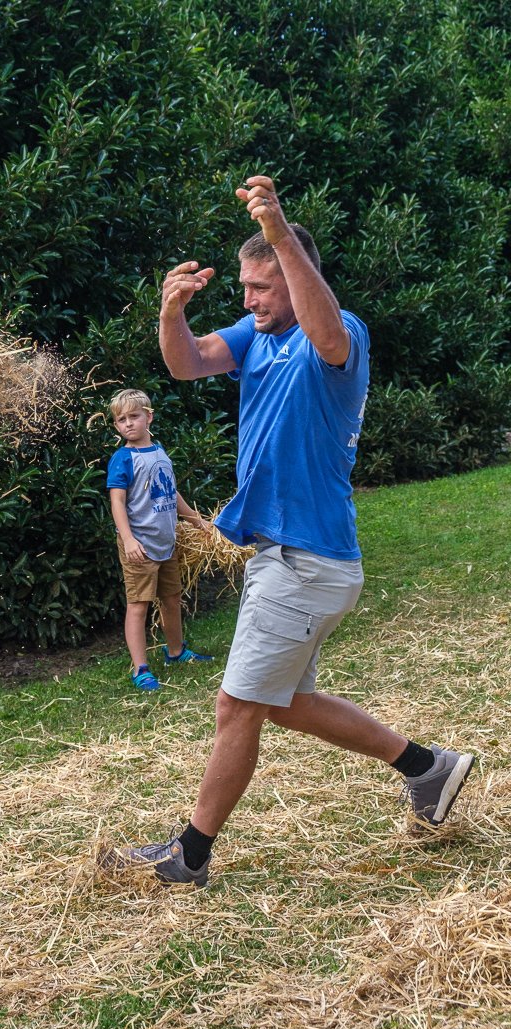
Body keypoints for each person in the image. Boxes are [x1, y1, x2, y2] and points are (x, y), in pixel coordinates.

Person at [107, 175, 474, 885]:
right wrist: (170, 312)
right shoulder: (257, 337)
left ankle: (191, 854)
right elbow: (186, 363)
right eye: (244, 286)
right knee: (286, 704)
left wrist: (280, 232)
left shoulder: (339, 337)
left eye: (261, 287)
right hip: (288, 557)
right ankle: (428, 768)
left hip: (307, 560)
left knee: (237, 704)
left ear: (294, 275)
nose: (248, 300)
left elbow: (327, 330)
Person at [107, 388, 215, 691]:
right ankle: (141, 668)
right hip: (139, 545)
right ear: (117, 426)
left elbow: (170, 491)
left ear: (148, 417)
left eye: (134, 416)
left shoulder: (159, 451)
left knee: (171, 598)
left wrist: (195, 519)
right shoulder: (122, 459)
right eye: (121, 420)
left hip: (166, 541)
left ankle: (176, 652)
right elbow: (117, 502)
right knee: (138, 604)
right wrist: (128, 540)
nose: (128, 423)